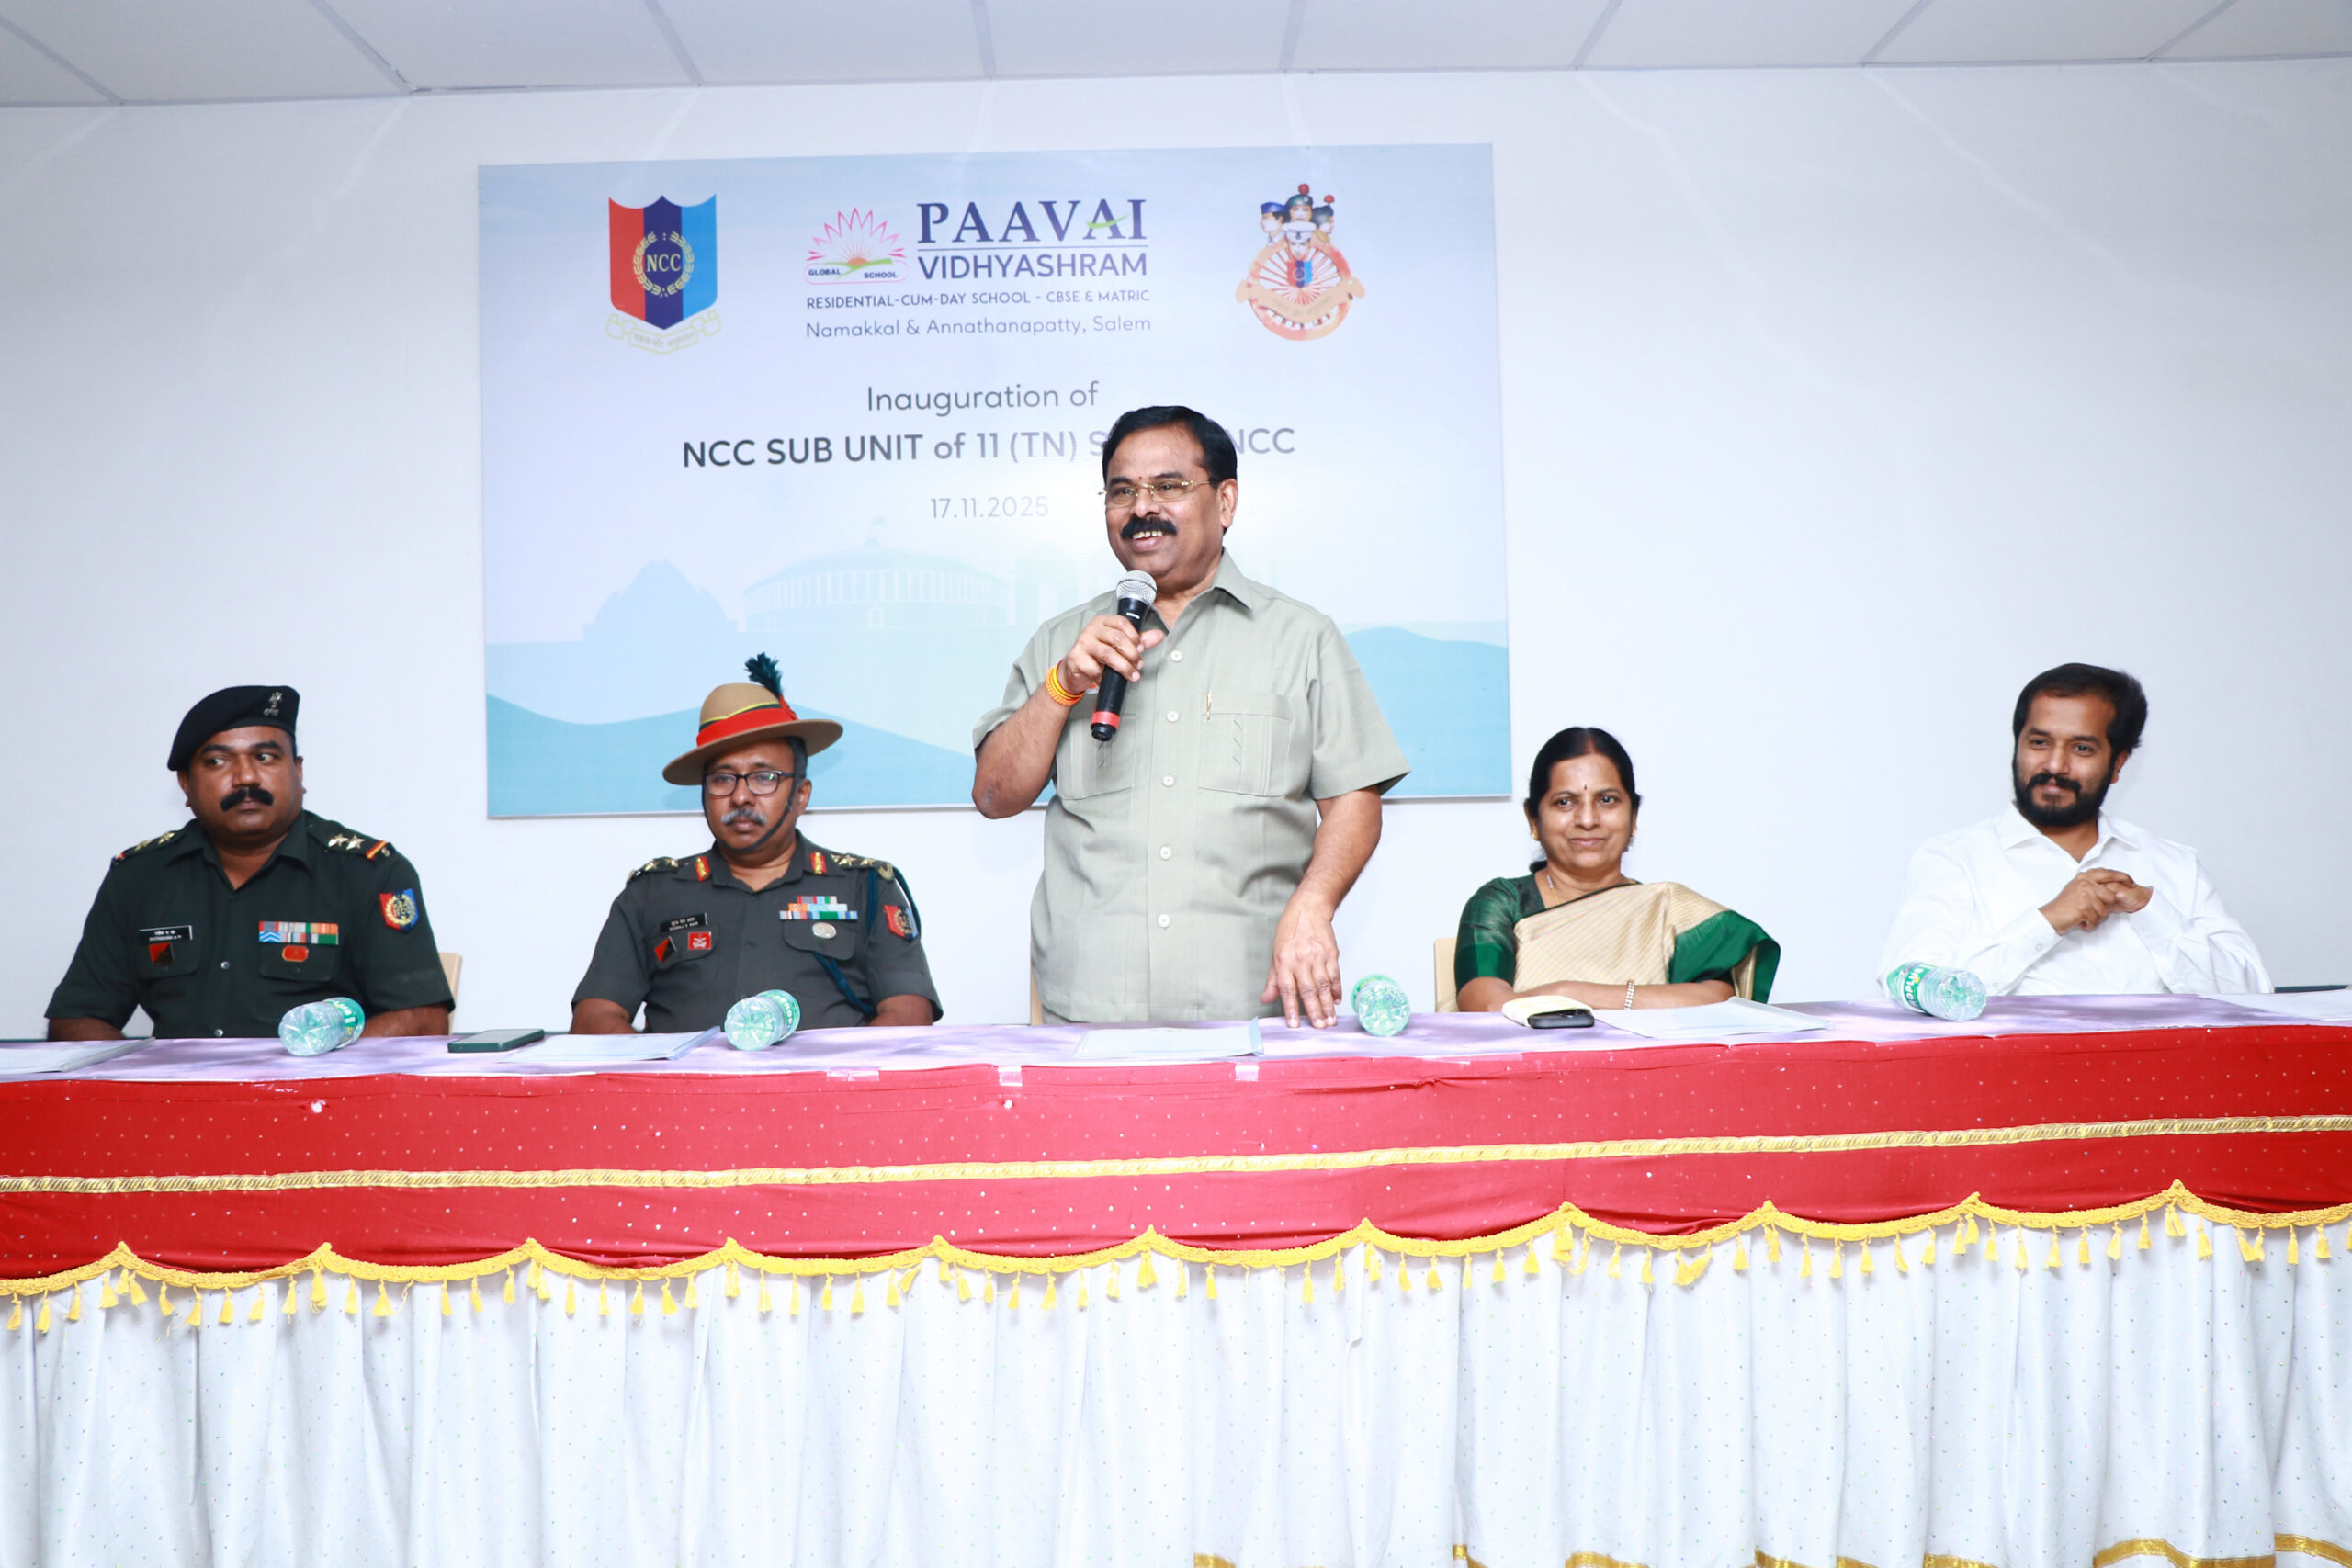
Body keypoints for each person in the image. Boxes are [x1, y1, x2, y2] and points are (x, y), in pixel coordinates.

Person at [972, 405, 1409, 1026]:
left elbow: (1353, 799)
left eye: (1168, 486)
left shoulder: (1301, 637)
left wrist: (1314, 905)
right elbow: (994, 796)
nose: (1141, 509)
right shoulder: (1062, 641)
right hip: (1091, 1013)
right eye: (1122, 491)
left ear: (1225, 501)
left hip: (1252, 1010)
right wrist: (1063, 686)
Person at [46, 686, 453, 1041]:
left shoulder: (368, 872)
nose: (245, 778)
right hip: (180, 1097)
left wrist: (312, 1067)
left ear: (298, 772)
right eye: (217, 762)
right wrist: (140, 1086)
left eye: (265, 756)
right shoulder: (140, 877)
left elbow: (421, 1019)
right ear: (185, 784)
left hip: (319, 1095)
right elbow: (77, 1019)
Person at [571, 656, 940, 1033]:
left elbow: (909, 1016)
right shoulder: (652, 893)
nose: (741, 796)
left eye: (764, 777)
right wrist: (663, 1069)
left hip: (826, 1074)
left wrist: (835, 1069)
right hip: (689, 1075)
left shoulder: (866, 887)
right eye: (722, 779)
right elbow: (593, 1019)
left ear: (801, 795)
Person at [1879, 663, 2268, 996]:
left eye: (2081, 748)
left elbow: (2254, 994)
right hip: (2014, 1066)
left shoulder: (2174, 866)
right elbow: (1912, 991)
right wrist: (2047, 921)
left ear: (2117, 764)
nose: (2054, 765)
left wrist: (2151, 911)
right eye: (2039, 742)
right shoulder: (1954, 861)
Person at [1453, 727, 1779, 1013]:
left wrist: (1570, 993)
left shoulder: (1667, 912)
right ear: (1533, 819)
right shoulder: (1502, 903)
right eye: (1564, 802)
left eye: (1607, 800)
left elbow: (1722, 1001)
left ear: (1633, 816)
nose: (1587, 819)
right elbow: (1486, 1006)